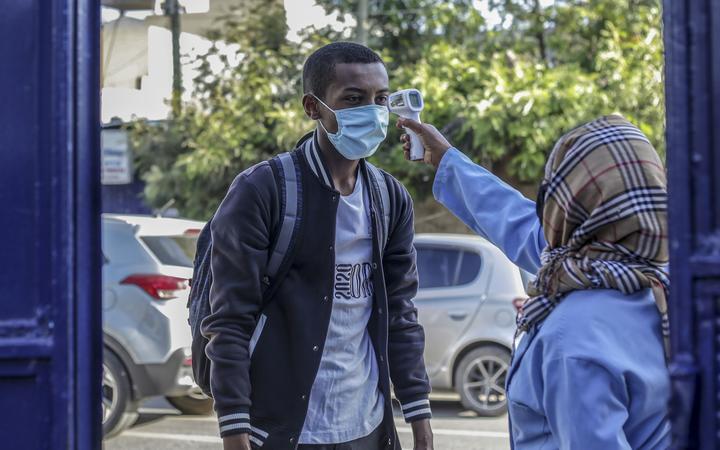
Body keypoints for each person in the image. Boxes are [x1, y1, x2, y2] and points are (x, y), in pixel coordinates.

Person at [203, 42, 434, 450]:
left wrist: (419, 419)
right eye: (353, 99)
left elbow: (400, 314)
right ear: (313, 107)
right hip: (281, 432)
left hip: (367, 427)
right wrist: (235, 432)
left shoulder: (390, 198)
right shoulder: (263, 191)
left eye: (381, 99)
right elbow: (229, 322)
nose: (374, 112)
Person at [396, 115, 670, 449]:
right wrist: (448, 162)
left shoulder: (572, 337)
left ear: (565, 205)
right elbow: (521, 225)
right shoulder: (664, 285)